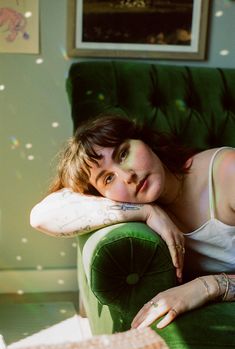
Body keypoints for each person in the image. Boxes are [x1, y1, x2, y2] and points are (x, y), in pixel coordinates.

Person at [30, 115, 235, 330]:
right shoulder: (148, 210)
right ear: (101, 196)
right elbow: (41, 216)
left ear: (143, 140)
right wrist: (146, 211)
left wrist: (209, 287)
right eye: (108, 179)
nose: (127, 176)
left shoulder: (226, 172)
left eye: (123, 153)